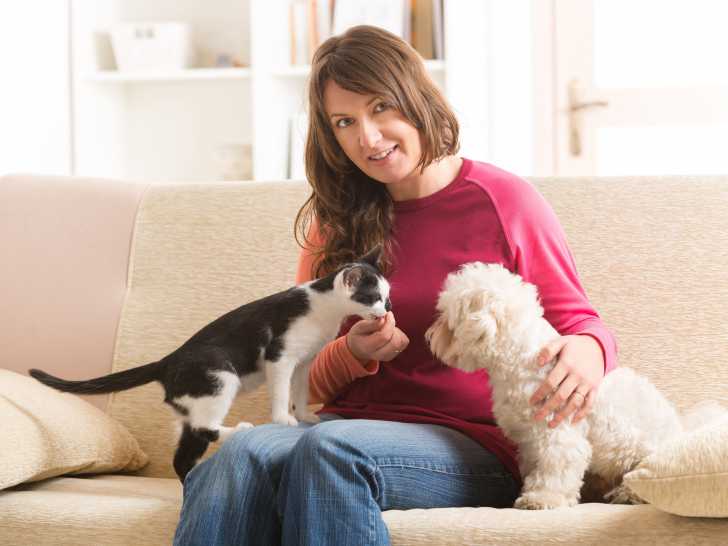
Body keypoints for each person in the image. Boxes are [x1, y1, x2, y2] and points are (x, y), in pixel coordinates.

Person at [174, 25, 616, 546]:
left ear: (416, 96)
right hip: (343, 426)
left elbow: (579, 322)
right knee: (241, 454)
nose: (368, 136)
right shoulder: (336, 222)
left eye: (381, 106)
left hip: (472, 440)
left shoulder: (504, 201)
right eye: (345, 121)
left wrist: (590, 350)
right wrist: (351, 353)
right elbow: (299, 379)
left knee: (332, 449)